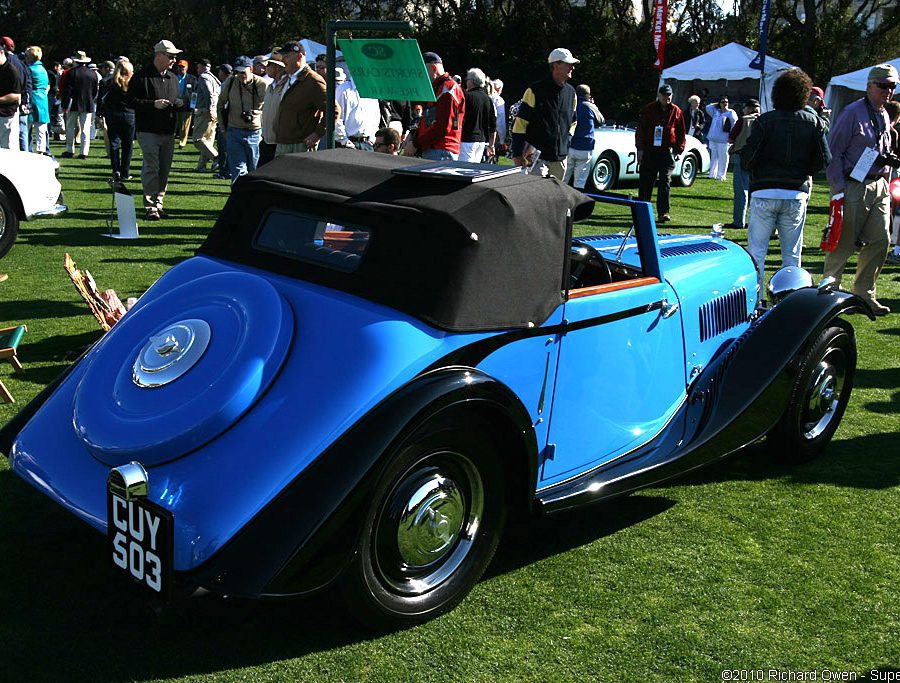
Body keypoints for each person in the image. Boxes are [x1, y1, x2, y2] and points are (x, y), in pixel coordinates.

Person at [822, 63, 898, 315]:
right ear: (869, 86)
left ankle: (865, 294)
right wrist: (838, 190)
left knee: (881, 240)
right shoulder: (852, 113)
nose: (889, 91)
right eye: (883, 86)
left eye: (893, 86)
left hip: (878, 185)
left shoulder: (884, 114)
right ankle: (830, 292)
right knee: (844, 241)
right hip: (852, 185)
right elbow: (834, 152)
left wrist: (886, 176)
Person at [741, 69, 829, 285]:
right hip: (795, 193)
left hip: (765, 191)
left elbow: (747, 158)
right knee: (791, 256)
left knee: (756, 253)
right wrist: (804, 169)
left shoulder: (764, 121)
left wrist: (758, 170)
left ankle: (757, 301)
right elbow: (823, 160)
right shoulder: (814, 122)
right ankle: (789, 302)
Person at [129, 39, 185, 220]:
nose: (174, 60)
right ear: (159, 55)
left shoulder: (173, 78)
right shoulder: (141, 76)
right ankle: (150, 205)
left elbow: (178, 99)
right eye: (171, 56)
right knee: (151, 167)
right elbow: (131, 101)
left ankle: (159, 203)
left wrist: (178, 103)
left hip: (168, 130)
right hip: (148, 130)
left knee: (164, 169)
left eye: (175, 57)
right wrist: (153, 104)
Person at [510, 48, 578, 180]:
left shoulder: (571, 93)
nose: (572, 67)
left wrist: (566, 141)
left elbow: (573, 121)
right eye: (568, 64)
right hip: (537, 159)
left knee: (556, 198)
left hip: (560, 160)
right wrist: (517, 153)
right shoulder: (535, 90)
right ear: (556, 65)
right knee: (534, 198)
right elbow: (520, 124)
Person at [635, 84, 686, 222]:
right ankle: (642, 210)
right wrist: (640, 149)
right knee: (646, 181)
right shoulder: (648, 109)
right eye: (664, 95)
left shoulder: (676, 111)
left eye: (669, 95)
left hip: (666, 152)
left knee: (665, 182)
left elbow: (681, 132)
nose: (667, 98)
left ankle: (663, 212)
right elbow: (640, 130)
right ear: (659, 95)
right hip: (650, 151)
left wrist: (679, 150)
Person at [406, 52, 465, 161]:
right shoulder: (440, 88)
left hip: (441, 150)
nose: (421, 77)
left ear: (433, 68)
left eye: (422, 72)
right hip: (437, 149)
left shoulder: (447, 89)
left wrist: (415, 143)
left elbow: (443, 127)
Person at [273, 41, 328, 155]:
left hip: (300, 146)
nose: (283, 60)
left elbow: (333, 110)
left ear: (299, 56)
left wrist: (317, 134)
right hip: (284, 143)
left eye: (287, 56)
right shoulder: (288, 78)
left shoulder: (313, 80)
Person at [217, 55, 266, 182]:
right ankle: (239, 199)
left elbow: (269, 108)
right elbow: (220, 104)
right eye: (237, 72)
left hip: (255, 133)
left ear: (251, 69)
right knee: (238, 171)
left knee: (254, 170)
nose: (240, 75)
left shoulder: (262, 84)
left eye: (243, 72)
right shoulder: (231, 82)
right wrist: (223, 129)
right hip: (234, 131)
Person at [725, 98, 761, 229]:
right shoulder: (765, 120)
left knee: (741, 190)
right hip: (759, 160)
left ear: (749, 109)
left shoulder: (743, 120)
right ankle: (755, 223)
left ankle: (738, 221)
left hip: (742, 156)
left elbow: (731, 138)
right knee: (756, 192)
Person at [563, 84, 604, 191]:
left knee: (563, 178)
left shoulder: (570, 104)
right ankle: (576, 203)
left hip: (569, 145)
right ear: (588, 95)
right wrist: (594, 106)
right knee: (579, 181)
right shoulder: (589, 106)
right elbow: (601, 121)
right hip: (585, 147)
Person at [103, 59, 136, 181]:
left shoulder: (109, 83)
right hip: (129, 115)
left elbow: (104, 100)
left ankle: (115, 170)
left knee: (114, 143)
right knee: (128, 145)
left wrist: (100, 114)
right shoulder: (132, 84)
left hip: (112, 115)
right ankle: (125, 172)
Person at [61, 50, 97, 158]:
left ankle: (70, 150)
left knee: (70, 127)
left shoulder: (71, 73)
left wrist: (64, 104)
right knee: (85, 128)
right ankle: (84, 152)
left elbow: (67, 90)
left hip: (73, 102)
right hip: (87, 103)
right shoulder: (92, 73)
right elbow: (95, 91)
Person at [335, 67, 380, 151]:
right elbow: (337, 118)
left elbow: (376, 116)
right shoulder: (343, 90)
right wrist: (344, 140)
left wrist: (372, 138)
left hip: (367, 144)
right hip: (348, 144)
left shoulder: (371, 90)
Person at [459, 67, 496, 163]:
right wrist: (491, 145)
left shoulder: (467, 96)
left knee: (462, 171)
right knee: (473, 171)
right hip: (481, 142)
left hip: (467, 140)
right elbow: (493, 125)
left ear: (471, 81)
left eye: (467, 80)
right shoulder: (488, 99)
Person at [192, 58, 220, 173]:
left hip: (205, 112)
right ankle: (201, 166)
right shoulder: (215, 78)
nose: (197, 69)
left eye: (198, 67)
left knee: (198, 139)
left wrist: (209, 109)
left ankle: (217, 157)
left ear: (203, 67)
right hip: (214, 111)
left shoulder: (203, 77)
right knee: (208, 140)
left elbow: (209, 94)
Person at [259, 55, 285, 166]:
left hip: (279, 142)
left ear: (277, 68)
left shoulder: (286, 86)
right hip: (266, 139)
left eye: (269, 65)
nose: (266, 68)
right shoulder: (270, 86)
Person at [24, 46, 50, 153]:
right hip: (43, 99)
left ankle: (26, 149)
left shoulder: (30, 69)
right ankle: (41, 151)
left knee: (26, 127)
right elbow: (47, 85)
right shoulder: (43, 69)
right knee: (41, 129)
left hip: (32, 98)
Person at [705, 95, 737, 180]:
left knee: (723, 158)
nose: (725, 104)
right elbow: (708, 107)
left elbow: (734, 125)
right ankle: (712, 174)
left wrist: (732, 137)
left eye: (726, 102)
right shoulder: (716, 112)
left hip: (724, 139)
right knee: (713, 157)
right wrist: (717, 104)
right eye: (723, 102)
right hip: (713, 138)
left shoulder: (731, 112)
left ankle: (721, 175)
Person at [0, 45, 22, 149]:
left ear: (1, 53)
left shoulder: (11, 70)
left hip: (8, 113)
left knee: (9, 147)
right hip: (1, 112)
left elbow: (16, 95)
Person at [212, 64, 232, 178]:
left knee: (224, 147)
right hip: (228, 120)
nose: (218, 74)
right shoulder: (231, 83)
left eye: (220, 71)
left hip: (226, 120)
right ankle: (225, 170)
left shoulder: (227, 84)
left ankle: (225, 172)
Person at [173, 58, 197, 148]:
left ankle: (182, 142)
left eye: (182, 67)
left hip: (187, 106)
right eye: (179, 67)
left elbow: (195, 93)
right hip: (174, 105)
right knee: (174, 124)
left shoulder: (192, 79)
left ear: (186, 68)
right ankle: (171, 140)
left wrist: (193, 105)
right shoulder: (173, 77)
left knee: (185, 126)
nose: (180, 68)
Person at [491, 78, 506, 156]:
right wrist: (502, 140)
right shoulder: (499, 100)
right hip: (493, 135)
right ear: (499, 88)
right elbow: (500, 122)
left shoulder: (483, 96)